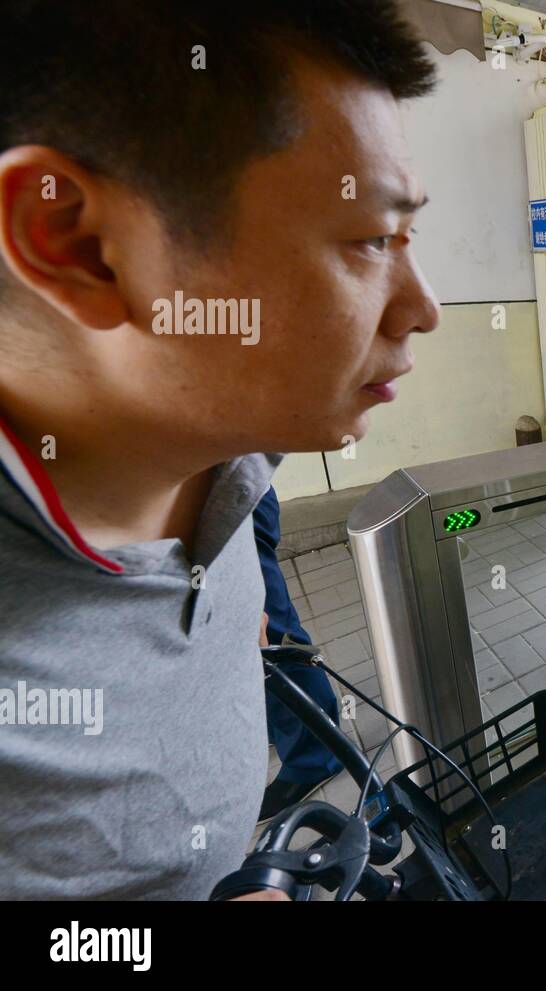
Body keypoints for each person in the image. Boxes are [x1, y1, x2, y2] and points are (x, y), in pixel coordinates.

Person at [0, 1, 439, 899]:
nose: (422, 308)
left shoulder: (234, 459)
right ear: (76, 244)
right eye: (368, 240)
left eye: (408, 237)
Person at [255, 487, 344, 823]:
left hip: (216, 495)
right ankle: (281, 725)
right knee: (239, 628)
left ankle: (316, 754)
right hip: (187, 496)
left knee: (270, 629)